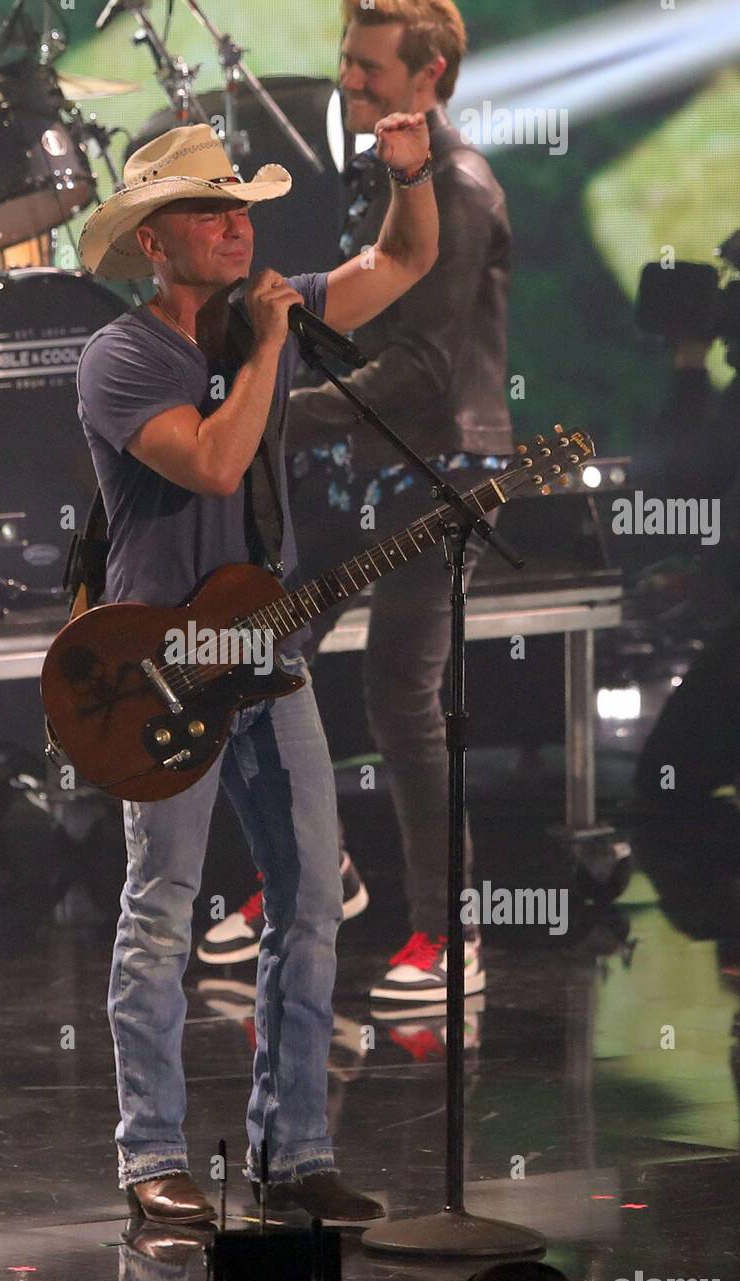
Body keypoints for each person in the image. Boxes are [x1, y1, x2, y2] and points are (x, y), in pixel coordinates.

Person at [74, 117, 438, 1224]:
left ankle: (298, 1154)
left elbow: (404, 262)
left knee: (311, 897)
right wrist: (268, 348)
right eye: (210, 210)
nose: (239, 226)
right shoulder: (123, 357)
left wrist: (409, 173)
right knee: (164, 912)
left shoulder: (258, 314)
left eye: (243, 207)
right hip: (161, 665)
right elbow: (217, 457)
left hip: (266, 651)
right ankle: (150, 1159)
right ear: (153, 240)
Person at [198, 0, 514, 1016]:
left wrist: (276, 416)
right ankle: (316, 872)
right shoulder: (387, 170)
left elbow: (423, 375)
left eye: (371, 66)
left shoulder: (455, 185)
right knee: (255, 656)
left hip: (437, 476)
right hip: (353, 468)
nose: (351, 80)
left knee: (401, 704)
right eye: (346, 60)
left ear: (428, 77)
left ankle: (448, 933)